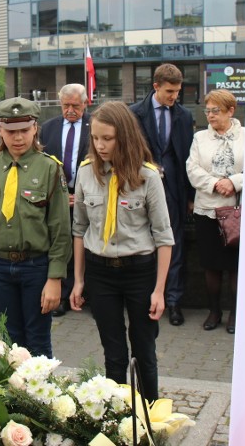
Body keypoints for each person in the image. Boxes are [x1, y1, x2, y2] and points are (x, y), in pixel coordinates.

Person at [70, 101, 173, 401]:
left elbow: (163, 236)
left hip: (139, 272)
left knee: (144, 350)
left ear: (124, 136)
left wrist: (159, 290)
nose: (100, 145)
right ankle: (118, 416)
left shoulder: (148, 176)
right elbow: (79, 229)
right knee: (113, 352)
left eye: (108, 138)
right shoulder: (87, 172)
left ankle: (151, 415)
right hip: (100, 271)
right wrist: (78, 280)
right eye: (95, 138)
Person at [0, 98, 71, 358]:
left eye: (24, 130)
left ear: (35, 128)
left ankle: (41, 398)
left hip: (36, 268)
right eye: (11, 131)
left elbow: (60, 229)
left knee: (38, 342)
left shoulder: (50, 168)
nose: (18, 138)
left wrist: (55, 278)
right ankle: (14, 399)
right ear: (0, 131)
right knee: (9, 344)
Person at [130, 63, 194, 326]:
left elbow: (188, 156)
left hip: (175, 191)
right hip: (142, 190)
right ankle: (145, 298)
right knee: (144, 245)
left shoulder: (184, 116)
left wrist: (190, 197)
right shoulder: (134, 113)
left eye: (178, 92)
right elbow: (129, 151)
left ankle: (174, 301)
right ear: (155, 86)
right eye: (170, 91)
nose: (174, 97)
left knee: (174, 245)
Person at [185, 90, 245, 335]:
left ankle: (235, 313)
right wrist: (214, 183)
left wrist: (234, 181)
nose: (210, 115)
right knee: (211, 264)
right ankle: (214, 310)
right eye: (207, 111)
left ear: (231, 111)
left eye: (215, 111)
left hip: (237, 211)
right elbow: (192, 168)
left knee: (235, 266)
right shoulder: (200, 138)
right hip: (207, 209)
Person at [39, 83, 91, 317]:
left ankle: (86, 295)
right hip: (56, 197)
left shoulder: (95, 127)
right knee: (60, 245)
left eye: (75, 106)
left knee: (86, 246)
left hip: (88, 197)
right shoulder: (48, 128)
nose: (70, 110)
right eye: (65, 105)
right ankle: (61, 295)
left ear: (85, 104)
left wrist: (78, 195)